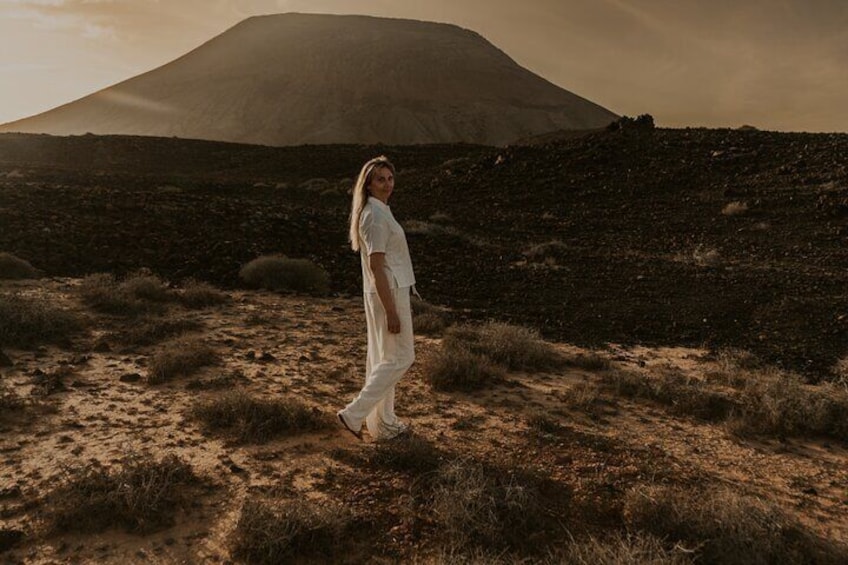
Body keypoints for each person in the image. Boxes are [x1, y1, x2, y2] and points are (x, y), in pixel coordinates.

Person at [337, 155, 416, 441]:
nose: (387, 184)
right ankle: (354, 414)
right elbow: (376, 265)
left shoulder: (380, 210)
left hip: (392, 288)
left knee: (385, 358)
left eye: (390, 178)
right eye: (380, 179)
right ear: (368, 184)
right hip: (388, 292)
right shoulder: (374, 216)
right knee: (403, 357)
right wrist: (391, 310)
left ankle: (384, 424)